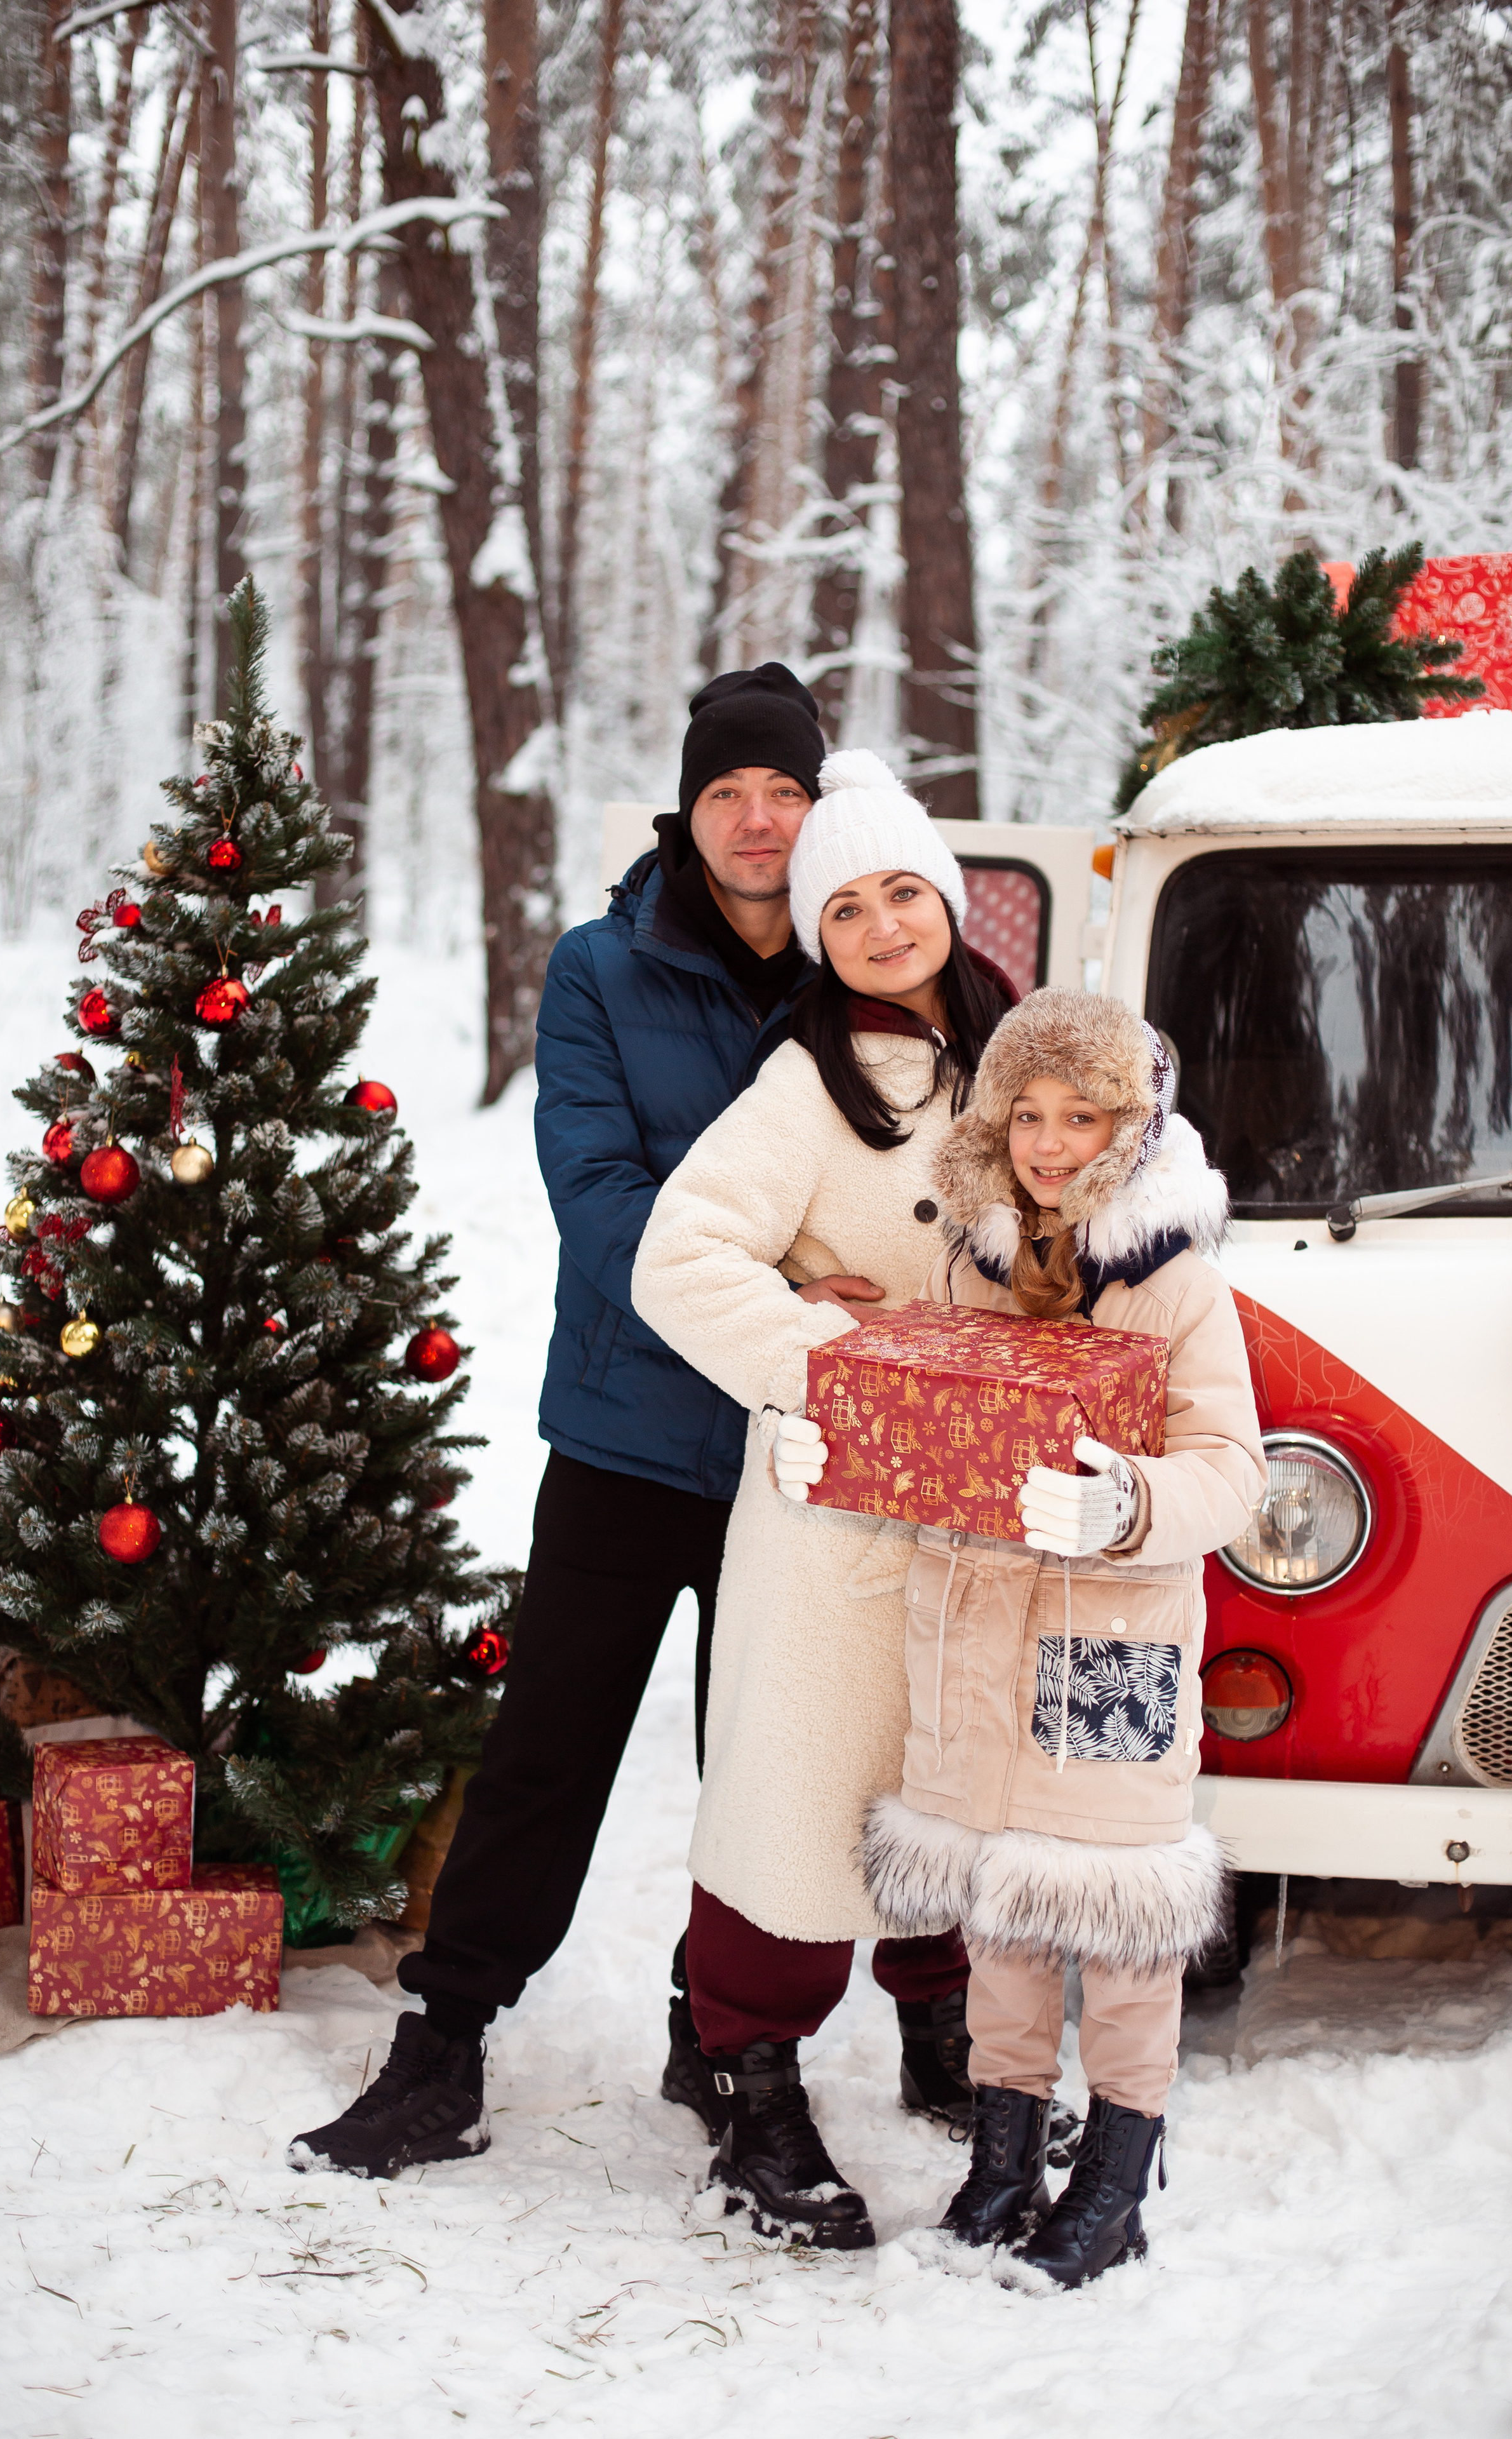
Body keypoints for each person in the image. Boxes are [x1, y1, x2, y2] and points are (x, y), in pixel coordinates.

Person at [288, 661, 827, 2178]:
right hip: (625, 1429)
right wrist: (792, 1300)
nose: (757, 821)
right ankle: (441, 2047)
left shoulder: (857, 964)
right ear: (686, 810)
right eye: (728, 792)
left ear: (819, 806)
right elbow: (596, 1196)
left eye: (784, 791)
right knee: (546, 1748)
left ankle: (724, 2043)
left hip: (797, 1451)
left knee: (764, 1766)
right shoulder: (601, 966)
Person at [630, 749, 1019, 2250]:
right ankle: (751, 2080)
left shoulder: (1018, 1061)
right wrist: (831, 1355)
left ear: (950, 900)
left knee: (953, 1780)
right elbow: (676, 1257)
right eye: (840, 907)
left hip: (987, 1509)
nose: (878, 926)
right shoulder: (803, 1081)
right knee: (797, 1796)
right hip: (837, 1510)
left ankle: (941, 2031)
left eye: (900, 892)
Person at [852, 988, 1268, 2286]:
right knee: (1005, 1918)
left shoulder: (1178, 1286)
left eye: (1078, 1117)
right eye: (1024, 1114)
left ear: (1129, 1128)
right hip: (976, 1639)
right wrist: (841, 1448)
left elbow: (1232, 1471)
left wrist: (1128, 1503)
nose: (1046, 1144)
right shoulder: (963, 1262)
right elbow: (924, 1431)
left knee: (1121, 1922)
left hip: (1109, 1644)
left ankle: (1116, 2175)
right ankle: (1003, 2158)